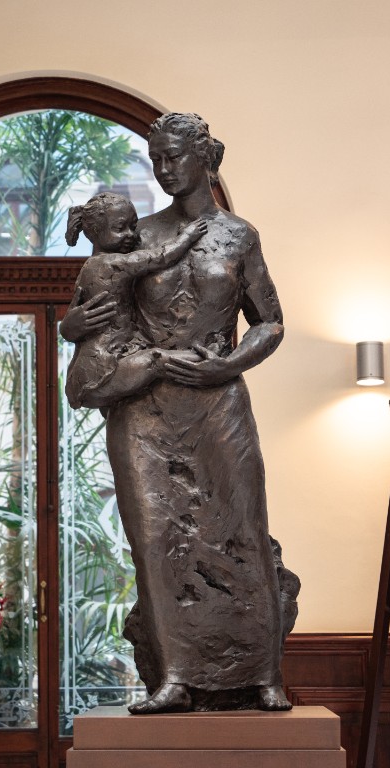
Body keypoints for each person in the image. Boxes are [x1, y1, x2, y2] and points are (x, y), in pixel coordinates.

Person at [60, 112, 299, 715]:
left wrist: (229, 364)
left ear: (204, 158)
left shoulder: (239, 236)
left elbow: (269, 321)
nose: (164, 169)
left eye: (174, 156)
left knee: (243, 529)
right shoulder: (133, 236)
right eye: (156, 159)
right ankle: (174, 678)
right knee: (156, 539)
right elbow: (91, 309)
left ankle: (263, 673)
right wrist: (71, 325)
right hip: (144, 411)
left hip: (218, 401)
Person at [61, 192, 207, 409]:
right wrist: (187, 236)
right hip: (102, 368)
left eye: (133, 226)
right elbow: (161, 257)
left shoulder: (88, 267)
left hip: (100, 362)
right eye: (120, 228)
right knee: (156, 360)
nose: (130, 235)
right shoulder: (111, 264)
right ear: (95, 231)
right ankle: (205, 357)